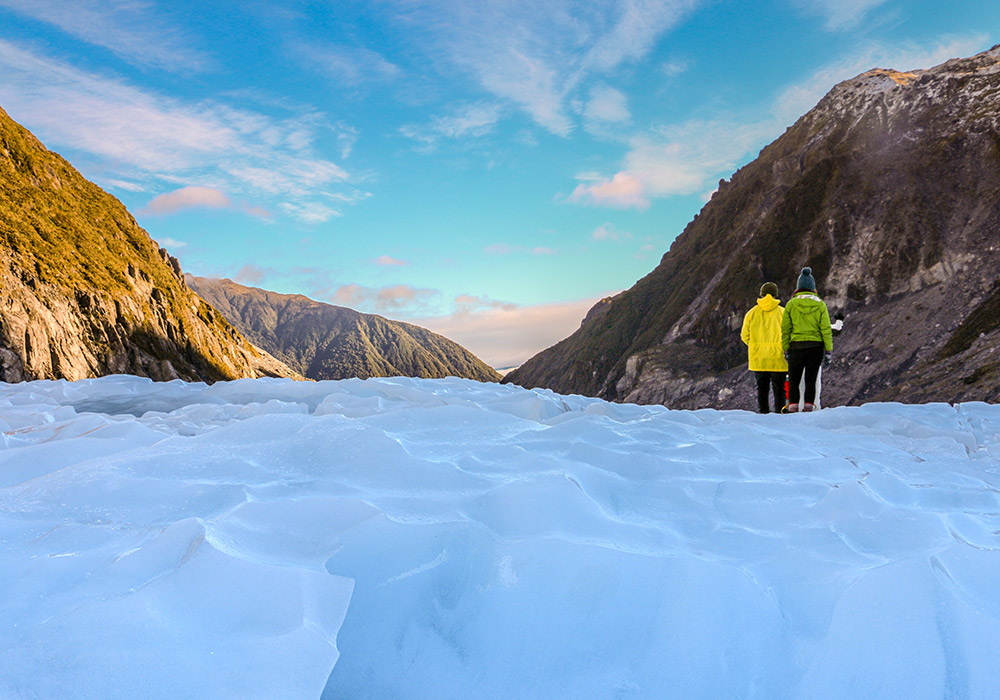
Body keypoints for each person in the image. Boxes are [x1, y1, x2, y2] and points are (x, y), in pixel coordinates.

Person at [780, 267, 833, 412]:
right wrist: (828, 350)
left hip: (795, 347)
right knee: (811, 379)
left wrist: (786, 348)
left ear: (798, 288)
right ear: (812, 288)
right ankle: (809, 408)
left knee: (794, 381)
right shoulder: (820, 304)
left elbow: (786, 329)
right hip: (815, 348)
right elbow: (826, 330)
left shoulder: (791, 304)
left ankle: (793, 407)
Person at [740, 282, 788, 413]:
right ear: (776, 295)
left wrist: (755, 345)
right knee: (779, 390)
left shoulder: (751, 313)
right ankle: (780, 414)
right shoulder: (783, 313)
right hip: (778, 358)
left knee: (762, 389)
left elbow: (744, 335)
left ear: (761, 295)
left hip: (759, 358)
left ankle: (763, 414)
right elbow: (789, 334)